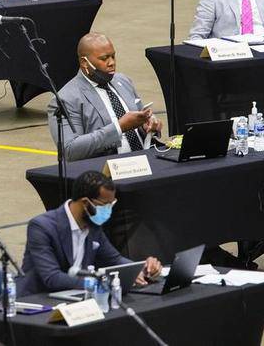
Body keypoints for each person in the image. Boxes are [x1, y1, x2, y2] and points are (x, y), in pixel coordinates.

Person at [16, 171, 162, 297]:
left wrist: (141, 268)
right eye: (105, 205)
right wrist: (98, 282)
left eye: (112, 204)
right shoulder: (42, 227)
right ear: (85, 203)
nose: (108, 211)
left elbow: (115, 260)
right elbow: (52, 277)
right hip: (37, 299)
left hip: (75, 297)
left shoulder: (93, 226)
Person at [48, 32, 161, 161]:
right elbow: (70, 150)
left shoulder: (123, 81)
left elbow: (140, 119)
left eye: (113, 56)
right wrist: (119, 127)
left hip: (144, 161)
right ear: (85, 63)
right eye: (104, 58)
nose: (111, 63)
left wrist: (148, 124)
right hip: (106, 172)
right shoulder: (66, 99)